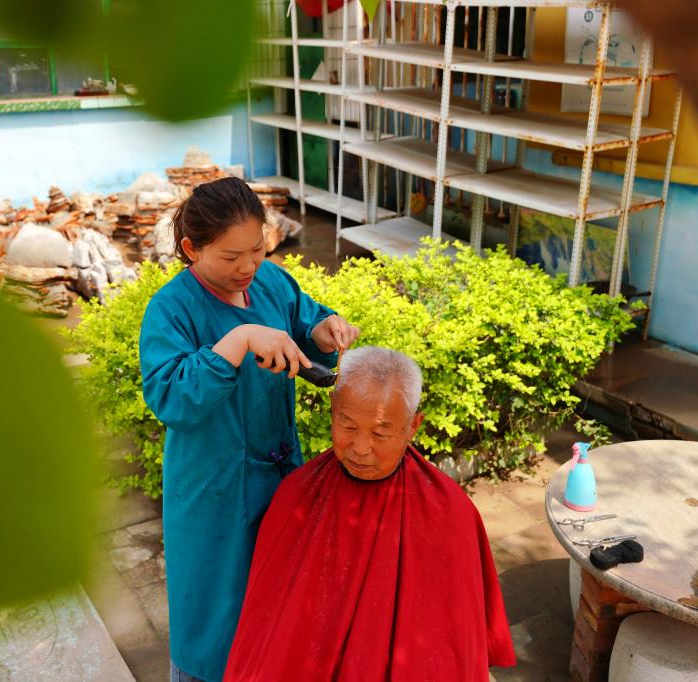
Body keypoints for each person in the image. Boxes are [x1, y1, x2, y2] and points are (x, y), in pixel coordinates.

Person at [139, 177, 359, 682]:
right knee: (213, 617)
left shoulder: (271, 282)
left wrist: (325, 331)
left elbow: (305, 323)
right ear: (191, 249)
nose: (247, 267)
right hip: (211, 490)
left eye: (257, 249)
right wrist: (237, 341)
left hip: (278, 475)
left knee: (278, 602)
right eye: (230, 256)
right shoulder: (171, 309)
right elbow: (171, 397)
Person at [224, 347, 516, 681]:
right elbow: (268, 633)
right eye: (347, 426)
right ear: (333, 410)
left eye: (380, 433)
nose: (361, 448)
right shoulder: (296, 496)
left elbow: (449, 647)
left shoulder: (450, 511)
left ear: (412, 426)